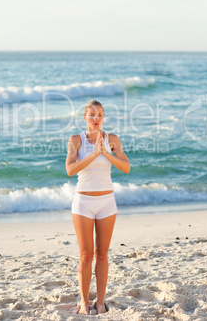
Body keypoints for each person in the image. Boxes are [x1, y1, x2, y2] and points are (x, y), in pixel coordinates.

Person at [66, 100, 130, 315]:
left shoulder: (112, 140)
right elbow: (70, 170)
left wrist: (106, 153)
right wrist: (94, 154)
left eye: (99, 115)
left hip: (106, 202)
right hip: (83, 202)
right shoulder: (76, 140)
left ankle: (100, 302)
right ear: (84, 117)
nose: (95, 118)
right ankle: (84, 302)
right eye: (91, 115)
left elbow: (126, 167)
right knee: (86, 256)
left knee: (102, 255)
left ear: (104, 117)